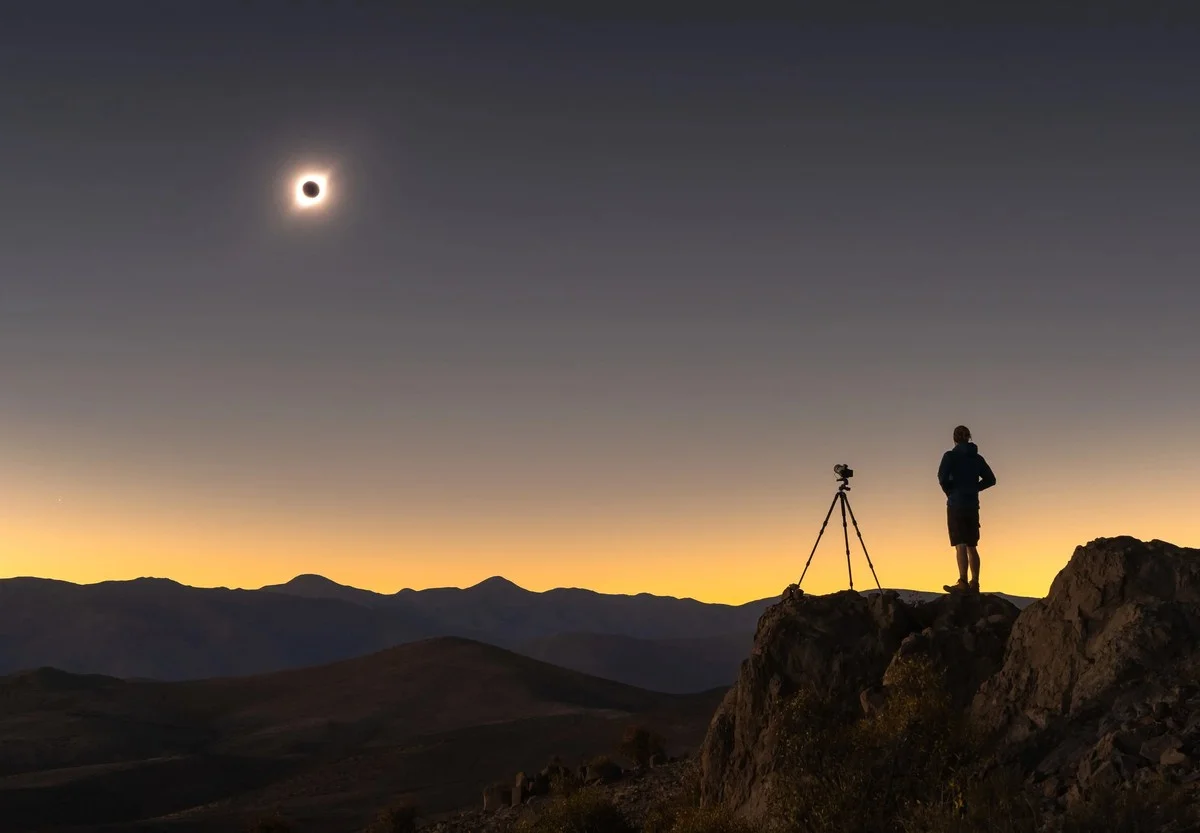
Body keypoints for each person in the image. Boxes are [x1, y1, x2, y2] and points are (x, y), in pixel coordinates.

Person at [938, 425, 996, 593]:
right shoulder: (977, 459)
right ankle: (975, 583)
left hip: (956, 504)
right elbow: (991, 479)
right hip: (972, 505)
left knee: (960, 543)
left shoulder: (950, 457)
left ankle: (963, 581)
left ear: (954, 439)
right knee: (972, 544)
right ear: (969, 437)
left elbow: (942, 478)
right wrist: (975, 488)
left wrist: (951, 492)